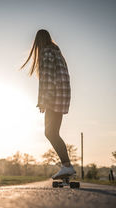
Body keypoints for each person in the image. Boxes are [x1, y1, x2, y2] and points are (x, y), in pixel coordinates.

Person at [21, 29, 76, 179]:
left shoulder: (46, 53)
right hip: (62, 96)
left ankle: (67, 166)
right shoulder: (57, 52)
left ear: (38, 42)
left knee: (50, 133)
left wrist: (44, 101)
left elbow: (48, 79)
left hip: (54, 97)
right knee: (53, 133)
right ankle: (66, 168)